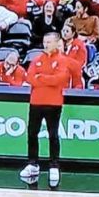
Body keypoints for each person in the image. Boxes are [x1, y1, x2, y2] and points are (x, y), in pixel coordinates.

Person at [22, 32, 71, 186]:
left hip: (54, 103)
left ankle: (54, 165)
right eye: (45, 41)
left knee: (53, 135)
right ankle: (32, 163)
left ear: (57, 43)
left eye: (49, 42)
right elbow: (29, 77)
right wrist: (46, 79)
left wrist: (41, 78)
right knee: (32, 133)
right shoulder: (36, 59)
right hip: (36, 101)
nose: (46, 44)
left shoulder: (62, 60)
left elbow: (60, 79)